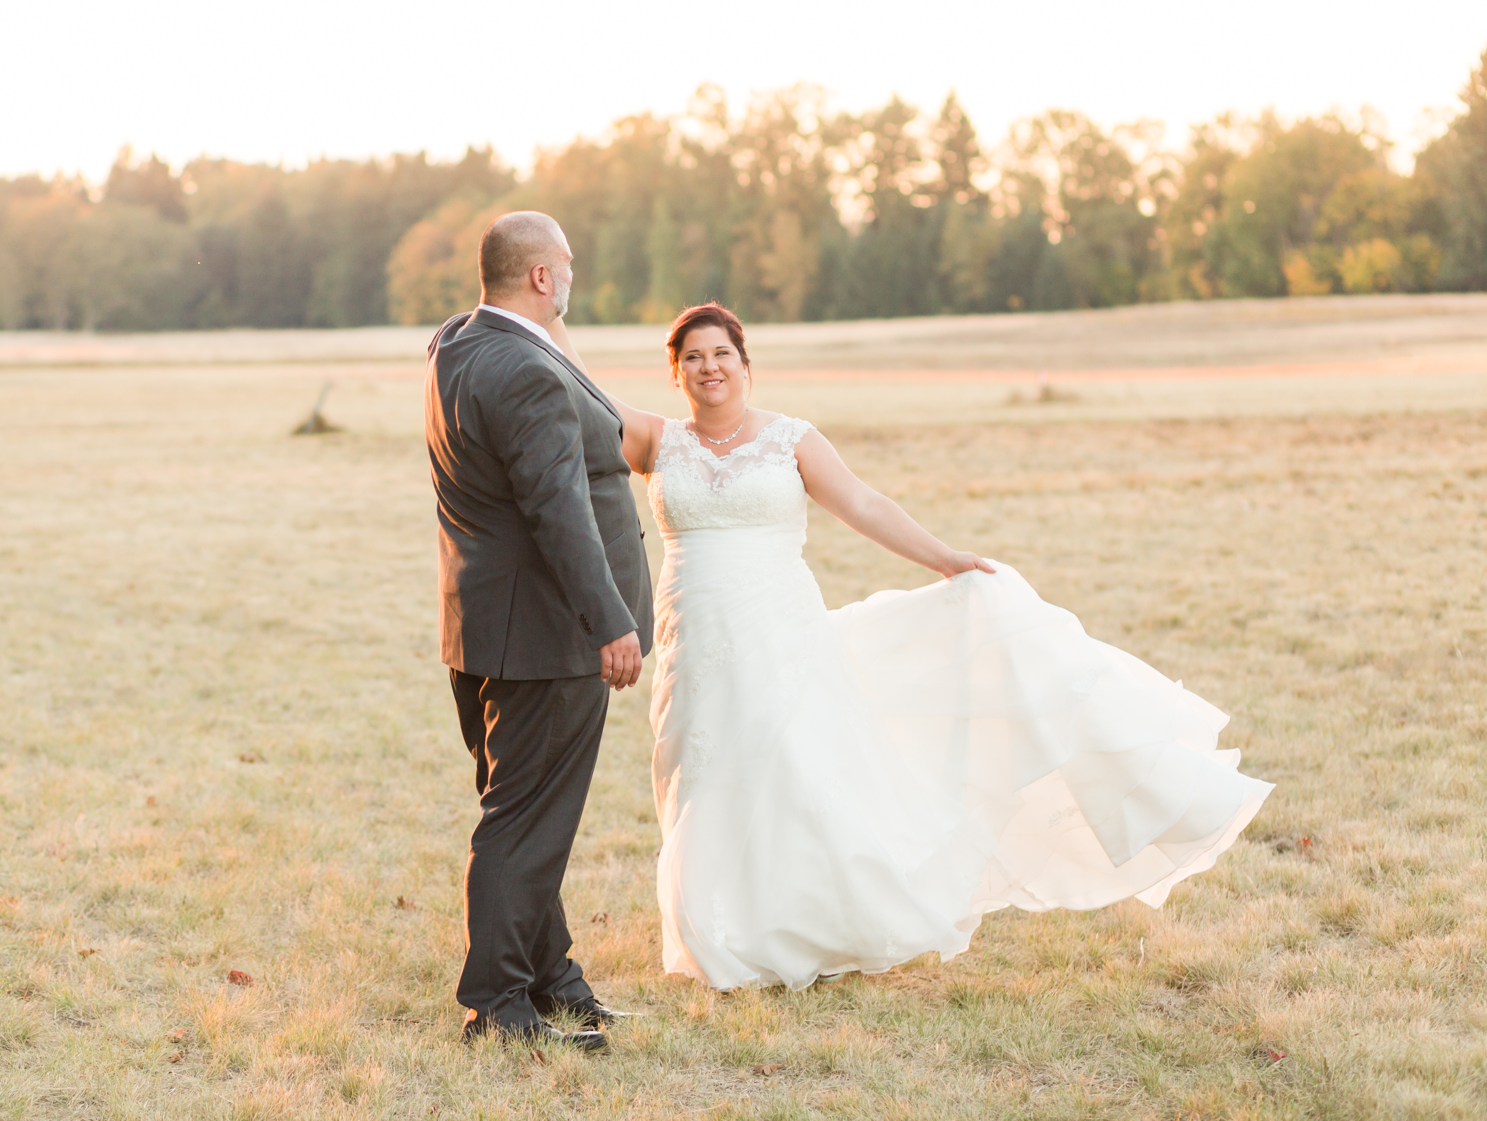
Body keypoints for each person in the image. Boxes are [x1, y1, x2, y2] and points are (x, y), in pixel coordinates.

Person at [547, 301, 1273, 991]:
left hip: (781, 624)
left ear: (746, 362)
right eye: (695, 357)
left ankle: (801, 925)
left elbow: (864, 503)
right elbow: (580, 400)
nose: (711, 367)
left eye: (723, 354)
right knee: (703, 766)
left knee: (790, 761)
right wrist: (551, 321)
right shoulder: (654, 439)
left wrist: (943, 557)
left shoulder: (792, 437)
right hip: (693, 628)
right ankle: (715, 932)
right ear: (676, 372)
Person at [423, 211, 651, 1050]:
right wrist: (610, 622)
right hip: (548, 635)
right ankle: (499, 1007)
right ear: (543, 277)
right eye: (569, 266)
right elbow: (559, 510)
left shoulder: (457, 342)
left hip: (482, 624)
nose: (575, 279)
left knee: (527, 812)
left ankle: (556, 980)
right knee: (523, 819)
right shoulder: (526, 370)